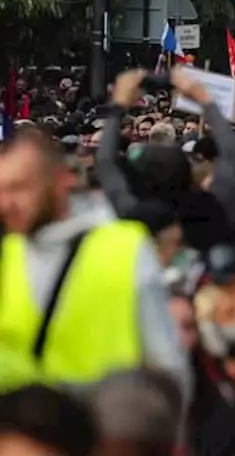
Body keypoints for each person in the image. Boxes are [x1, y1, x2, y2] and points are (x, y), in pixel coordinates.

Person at [0, 130, 189, 393]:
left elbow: (169, 369)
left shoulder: (125, 247)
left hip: (110, 428)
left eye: (19, 188)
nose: (5, 204)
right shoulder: (10, 252)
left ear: (61, 181)